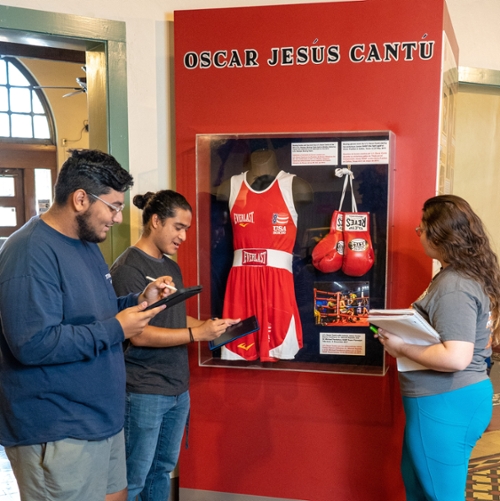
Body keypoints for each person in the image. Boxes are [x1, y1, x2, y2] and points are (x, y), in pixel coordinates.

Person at [0, 149, 172, 501]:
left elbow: (95, 313)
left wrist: (138, 302)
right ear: (80, 199)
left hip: (100, 422)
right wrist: (118, 329)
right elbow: (33, 343)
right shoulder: (30, 251)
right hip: (57, 428)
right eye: (112, 207)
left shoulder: (86, 244)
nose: (118, 218)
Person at [109, 189, 239, 501]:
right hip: (143, 390)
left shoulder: (171, 266)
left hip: (177, 390)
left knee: (161, 471)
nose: (183, 236)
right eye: (178, 227)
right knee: (134, 478)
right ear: (155, 221)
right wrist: (197, 335)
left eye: (186, 230)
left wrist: (212, 327)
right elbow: (138, 333)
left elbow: (176, 318)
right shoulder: (128, 269)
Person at [376, 194, 500, 501]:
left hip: (447, 401)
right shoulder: (456, 276)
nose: (417, 234)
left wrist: (402, 346)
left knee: (440, 494)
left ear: (439, 234)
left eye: (420, 228)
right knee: (420, 487)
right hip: (444, 400)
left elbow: (456, 357)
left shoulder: (455, 285)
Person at [216, 148, 312, 362]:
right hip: (241, 282)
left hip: (277, 282)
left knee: (280, 347)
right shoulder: (229, 186)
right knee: (237, 346)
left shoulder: (294, 186)